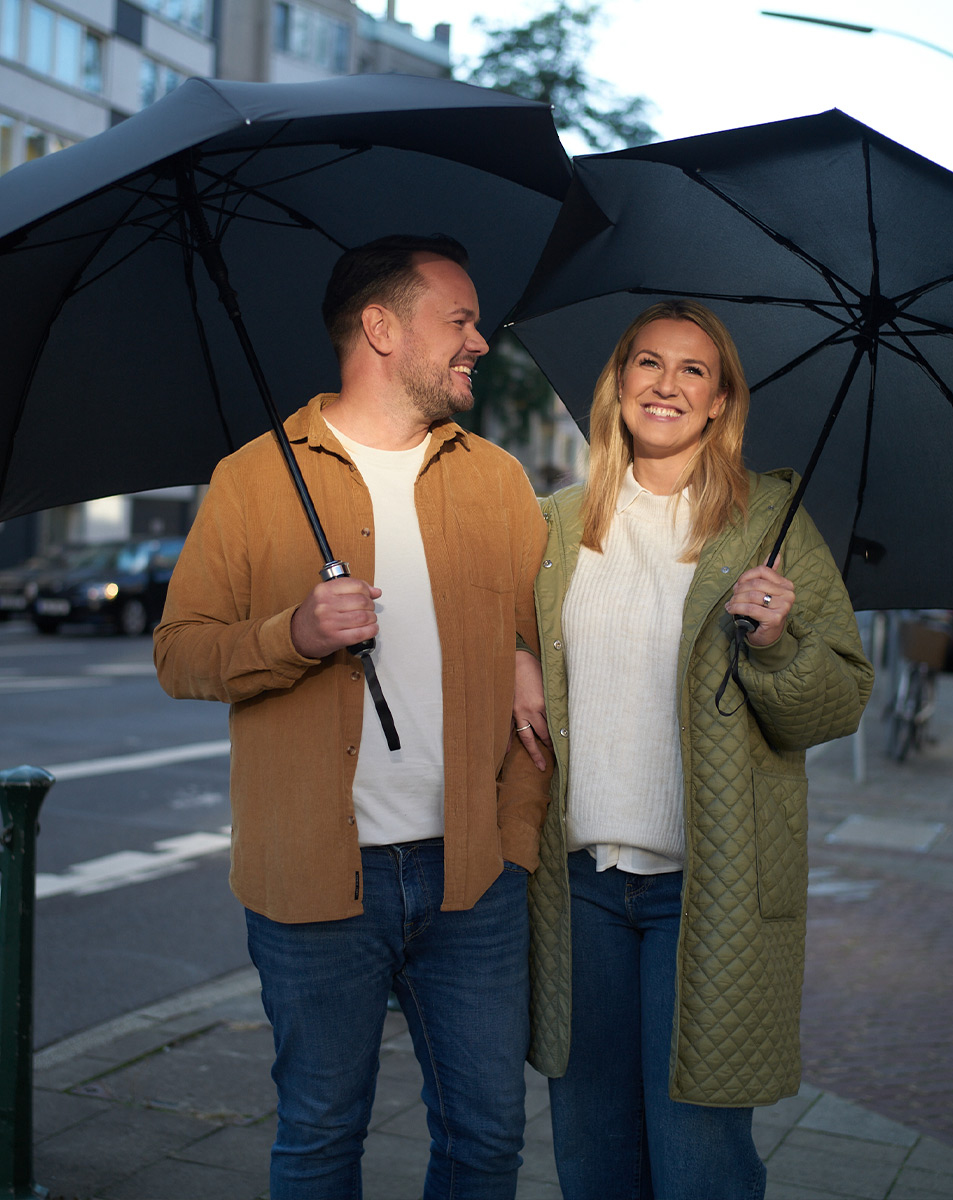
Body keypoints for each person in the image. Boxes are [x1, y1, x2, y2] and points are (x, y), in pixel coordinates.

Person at [153, 233, 550, 1199]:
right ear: (381, 326)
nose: (480, 342)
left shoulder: (496, 480)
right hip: (315, 891)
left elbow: (541, 641)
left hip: (474, 880)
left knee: (487, 1140)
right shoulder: (254, 478)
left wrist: (528, 663)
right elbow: (179, 653)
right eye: (459, 320)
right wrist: (291, 631)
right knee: (322, 1138)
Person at [513, 300, 874, 1200]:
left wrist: (778, 644)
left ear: (720, 402)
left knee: (697, 1165)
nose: (666, 384)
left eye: (693, 370)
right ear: (619, 383)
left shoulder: (770, 524)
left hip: (707, 892)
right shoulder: (555, 523)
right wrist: (513, 656)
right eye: (647, 363)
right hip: (579, 885)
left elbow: (837, 702)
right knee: (593, 1159)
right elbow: (495, 637)